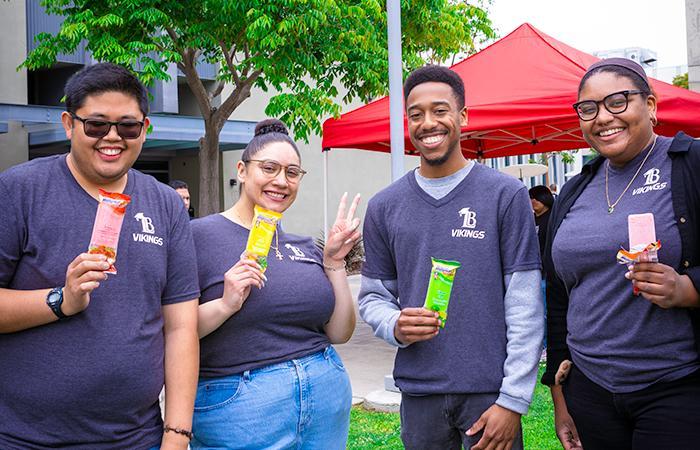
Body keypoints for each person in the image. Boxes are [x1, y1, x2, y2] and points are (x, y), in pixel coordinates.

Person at [0, 63, 199, 449]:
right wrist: (62, 300)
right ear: (68, 124)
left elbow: (180, 328)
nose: (112, 137)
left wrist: (176, 435)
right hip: (24, 438)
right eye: (96, 125)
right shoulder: (18, 191)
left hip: (135, 437)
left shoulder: (166, 205)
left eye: (128, 126)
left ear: (145, 129)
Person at [359, 65, 543, 450]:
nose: (428, 123)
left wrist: (512, 400)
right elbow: (373, 297)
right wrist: (394, 323)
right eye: (416, 114)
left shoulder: (504, 195)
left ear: (462, 116)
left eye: (440, 110)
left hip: (489, 392)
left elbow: (525, 304)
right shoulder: (384, 206)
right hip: (419, 392)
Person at [542, 57, 700, 450]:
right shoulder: (577, 189)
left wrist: (688, 288)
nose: (602, 117)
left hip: (675, 385)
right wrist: (561, 396)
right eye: (588, 108)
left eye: (617, 101)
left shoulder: (690, 163)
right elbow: (561, 297)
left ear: (650, 105)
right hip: (590, 389)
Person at [190, 119, 360, 449]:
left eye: (292, 172)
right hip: (242, 408)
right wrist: (226, 304)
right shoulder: (199, 236)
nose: (281, 181)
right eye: (269, 168)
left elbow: (339, 333)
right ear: (242, 170)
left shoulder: (305, 245)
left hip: (325, 395)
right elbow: (172, 330)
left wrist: (335, 263)